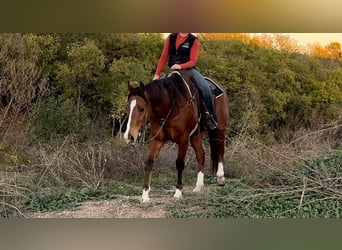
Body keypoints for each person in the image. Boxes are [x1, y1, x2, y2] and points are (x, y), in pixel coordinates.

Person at [153, 33, 218, 130]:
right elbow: (163, 57)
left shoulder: (193, 40)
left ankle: (212, 116)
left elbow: (193, 61)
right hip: (172, 70)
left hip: (189, 70)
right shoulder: (171, 38)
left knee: (204, 87)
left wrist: (180, 66)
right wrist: (157, 75)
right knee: (156, 91)